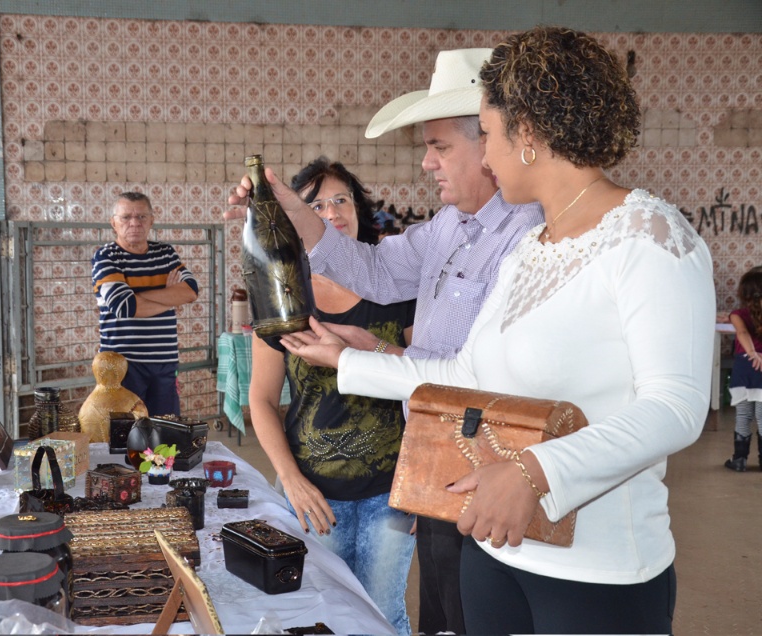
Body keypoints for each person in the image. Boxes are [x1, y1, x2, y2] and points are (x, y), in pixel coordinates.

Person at [280, 27, 715, 634]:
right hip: (497, 547)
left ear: (528, 133)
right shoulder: (532, 249)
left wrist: (537, 473)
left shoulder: (650, 238)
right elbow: (464, 376)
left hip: (598, 570)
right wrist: (347, 363)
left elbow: (676, 407)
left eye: (484, 134)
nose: (482, 155)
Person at [227, 48, 543, 635]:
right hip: (437, 470)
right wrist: (293, 212)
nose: (426, 163)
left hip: (494, 472)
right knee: (440, 615)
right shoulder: (449, 226)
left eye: (440, 146)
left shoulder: (528, 235)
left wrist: (360, 356)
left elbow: (482, 374)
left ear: (491, 142)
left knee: (473, 614)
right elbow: (372, 270)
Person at [248, 158, 416, 635]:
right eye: (315, 203)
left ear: (358, 208)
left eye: (341, 199)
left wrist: (427, 477)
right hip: (315, 493)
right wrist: (289, 479)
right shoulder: (282, 295)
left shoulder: (396, 287)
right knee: (322, 615)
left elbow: (429, 379)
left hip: (394, 488)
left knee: (384, 612)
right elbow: (261, 399)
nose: (332, 211)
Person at [91, 192, 199, 416]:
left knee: (165, 433)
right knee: (125, 436)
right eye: (126, 217)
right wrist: (169, 296)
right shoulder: (106, 257)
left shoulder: (166, 253)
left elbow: (190, 291)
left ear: (151, 220)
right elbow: (124, 307)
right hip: (121, 366)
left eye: (141, 217)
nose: (134, 223)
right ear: (113, 223)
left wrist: (140, 298)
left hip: (165, 362)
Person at [723, 266, 762, 472]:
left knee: (744, 415)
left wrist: (752, 353)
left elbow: (742, 333)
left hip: (745, 367)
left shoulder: (737, 314)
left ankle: (739, 460)